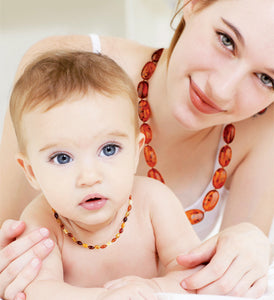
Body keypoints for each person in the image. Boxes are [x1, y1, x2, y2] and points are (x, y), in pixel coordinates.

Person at [0, 0, 273, 299]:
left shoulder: (153, 201)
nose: (221, 90)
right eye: (226, 39)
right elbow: (24, 281)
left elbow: (211, 283)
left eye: (266, 78)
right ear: (192, 3)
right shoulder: (51, 79)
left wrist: (257, 243)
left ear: (136, 148)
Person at [7, 50, 202, 300]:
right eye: (62, 158)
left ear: (135, 152)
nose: (89, 177)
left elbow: (194, 277)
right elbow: (37, 290)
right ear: (32, 172)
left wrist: (153, 289)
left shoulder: (153, 202)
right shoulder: (41, 221)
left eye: (109, 150)